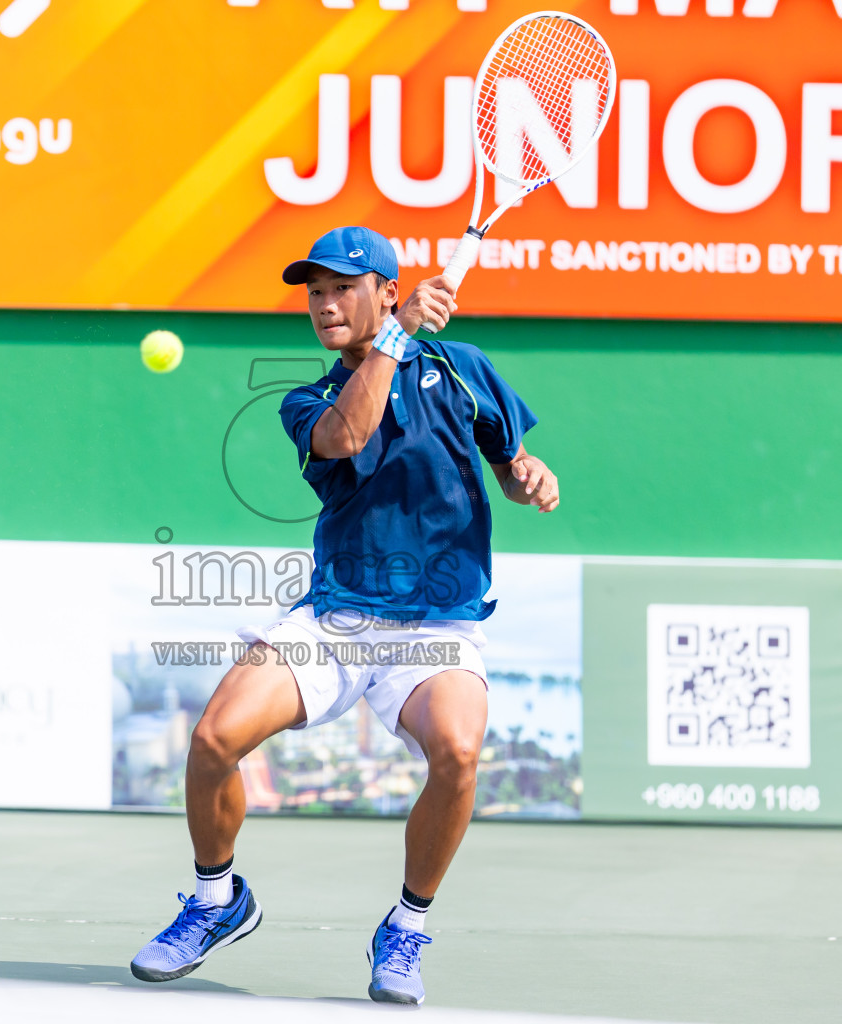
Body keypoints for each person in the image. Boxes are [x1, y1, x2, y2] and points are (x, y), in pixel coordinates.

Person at [129, 226, 559, 1005]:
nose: (324, 304)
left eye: (343, 289)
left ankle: (406, 925)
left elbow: (508, 463)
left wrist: (527, 475)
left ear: (386, 290)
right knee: (213, 739)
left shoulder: (463, 373)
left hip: (438, 626)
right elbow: (350, 435)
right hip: (336, 621)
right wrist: (394, 337)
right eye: (314, 292)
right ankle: (216, 899)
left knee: (459, 754)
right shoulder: (310, 400)